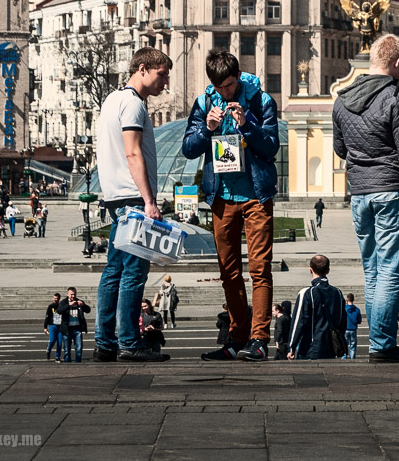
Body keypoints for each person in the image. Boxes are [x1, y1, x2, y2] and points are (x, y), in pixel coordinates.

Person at [332, 33, 399, 363]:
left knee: (373, 272)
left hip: (359, 195)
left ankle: (379, 341)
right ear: (398, 63)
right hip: (392, 192)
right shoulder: (396, 98)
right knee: (391, 273)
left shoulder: (341, 99)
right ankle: (382, 345)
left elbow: (340, 149)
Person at [182, 49, 280, 363]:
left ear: (238, 76)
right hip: (221, 198)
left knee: (260, 270)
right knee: (229, 273)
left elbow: (270, 147)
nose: (226, 92)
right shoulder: (204, 104)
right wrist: (207, 128)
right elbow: (188, 148)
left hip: (255, 197)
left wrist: (246, 123)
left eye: (230, 84)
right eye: (220, 87)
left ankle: (259, 339)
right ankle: (237, 339)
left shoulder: (261, 101)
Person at [93, 47, 172, 363]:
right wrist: (149, 201)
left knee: (113, 271)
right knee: (133, 275)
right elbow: (133, 153)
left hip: (115, 198)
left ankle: (105, 343)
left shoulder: (111, 100)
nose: (164, 82)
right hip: (133, 199)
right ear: (142, 69)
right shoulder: (133, 105)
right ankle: (128, 342)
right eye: (161, 74)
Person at [288, 255, 346, 360]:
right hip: (332, 347)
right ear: (328, 270)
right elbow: (342, 321)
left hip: (310, 346)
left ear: (310, 270)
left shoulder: (307, 292)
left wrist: (291, 346)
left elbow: (298, 322)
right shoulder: (337, 293)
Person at [59, 287, 91, 363]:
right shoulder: (64, 302)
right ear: (68, 294)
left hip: (77, 329)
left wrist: (83, 305)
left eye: (74, 294)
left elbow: (88, 310)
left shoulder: (79, 301)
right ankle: (67, 364)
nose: (73, 296)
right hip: (67, 329)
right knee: (67, 350)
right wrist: (69, 305)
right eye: (71, 294)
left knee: (79, 349)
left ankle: (78, 363)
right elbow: (59, 311)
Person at [44, 293, 63, 362]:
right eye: (54, 298)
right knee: (52, 340)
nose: (55, 299)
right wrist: (45, 327)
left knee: (60, 342)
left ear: (59, 299)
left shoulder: (61, 306)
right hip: (52, 325)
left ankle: (57, 356)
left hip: (60, 326)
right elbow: (47, 317)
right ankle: (48, 349)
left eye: (57, 298)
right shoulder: (50, 306)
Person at [343, 294, 362, 359]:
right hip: (353, 329)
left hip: (345, 328)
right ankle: (352, 357)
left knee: (345, 343)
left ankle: (344, 356)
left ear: (347, 299)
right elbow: (359, 320)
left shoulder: (344, 308)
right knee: (353, 344)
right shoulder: (357, 309)